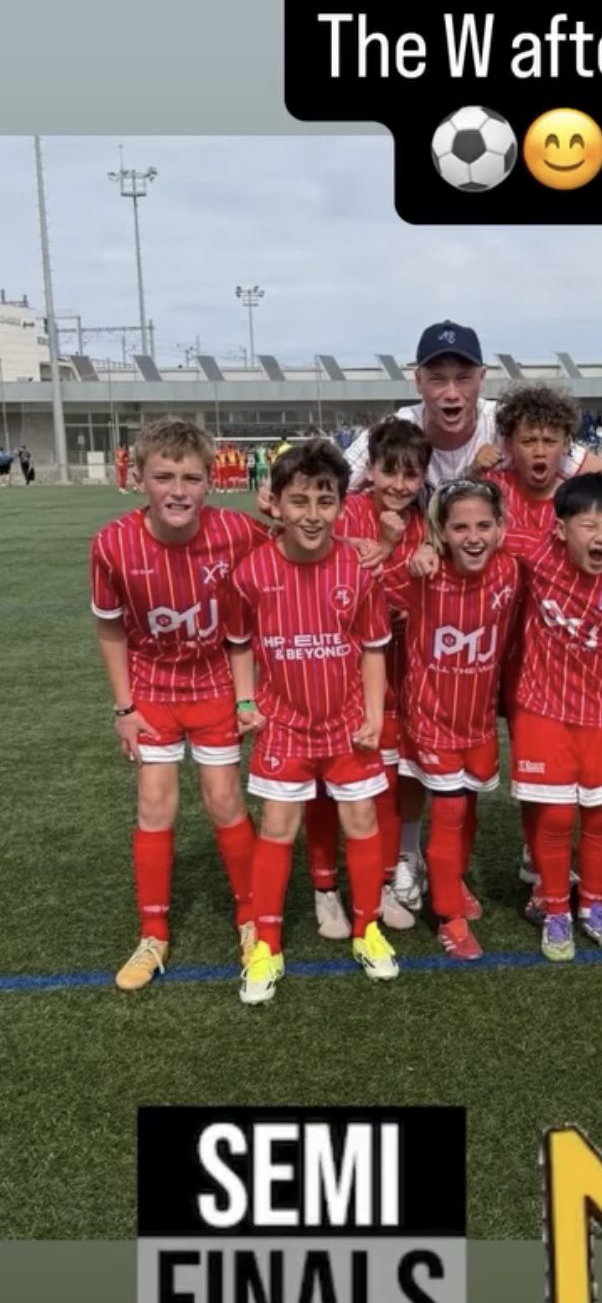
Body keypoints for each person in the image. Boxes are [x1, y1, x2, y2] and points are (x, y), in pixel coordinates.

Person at [90, 419, 267, 991]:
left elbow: (296, 543)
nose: (178, 490)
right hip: (152, 689)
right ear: (139, 478)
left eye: (191, 478)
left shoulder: (237, 531)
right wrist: (124, 709)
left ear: (210, 481)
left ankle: (252, 921)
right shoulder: (112, 544)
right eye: (164, 476)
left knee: (223, 799)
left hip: (214, 683)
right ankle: (153, 934)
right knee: (154, 803)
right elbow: (110, 629)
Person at [227, 439, 397, 1005]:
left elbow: (373, 648)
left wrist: (373, 716)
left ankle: (367, 929)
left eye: (325, 501)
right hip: (283, 725)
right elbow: (239, 641)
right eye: (298, 501)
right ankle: (267, 946)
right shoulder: (253, 571)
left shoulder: (358, 568)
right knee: (278, 827)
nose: (312, 514)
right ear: (274, 503)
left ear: (342, 505)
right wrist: (245, 703)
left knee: (361, 818)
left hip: (347, 723)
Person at [509, 474, 602, 962]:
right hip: (542, 708)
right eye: (589, 525)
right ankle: (555, 909)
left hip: (601, 713)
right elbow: (480, 528)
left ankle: (592, 905)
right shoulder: (539, 552)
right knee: (554, 815)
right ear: (560, 529)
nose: (601, 536)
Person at [304, 418, 433, 938]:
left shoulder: (427, 523)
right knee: (324, 785)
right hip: (335, 672)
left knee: (384, 780)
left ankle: (378, 883)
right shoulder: (345, 512)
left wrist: (407, 603)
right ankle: (325, 888)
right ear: (371, 469)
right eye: (389, 471)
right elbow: (324, 575)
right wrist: (380, 542)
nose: (399, 484)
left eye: (411, 474)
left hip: (398, 672)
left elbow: (421, 593)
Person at [396, 479, 521, 960]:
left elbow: (563, 540)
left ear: (500, 528)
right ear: (441, 533)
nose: (473, 537)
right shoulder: (422, 574)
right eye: (460, 527)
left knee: (468, 807)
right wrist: (415, 554)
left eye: (484, 526)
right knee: (448, 812)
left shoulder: (511, 568)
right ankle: (448, 917)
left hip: (478, 721)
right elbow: (372, 582)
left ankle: (453, 879)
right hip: (432, 720)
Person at [341, 321, 602, 493]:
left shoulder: (509, 423)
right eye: (438, 379)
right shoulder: (393, 432)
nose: (452, 393)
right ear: (418, 381)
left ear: (482, 379)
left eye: (463, 378)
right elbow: (331, 488)